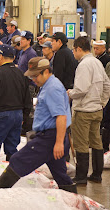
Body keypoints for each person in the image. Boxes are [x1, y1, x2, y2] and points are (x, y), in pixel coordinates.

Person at [0, 57, 77, 196]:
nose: (33, 79)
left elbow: (61, 116)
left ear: (46, 72)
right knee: (59, 173)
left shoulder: (53, 88)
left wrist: (58, 142)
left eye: (35, 75)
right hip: (50, 135)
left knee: (17, 160)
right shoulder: (49, 85)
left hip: (49, 138)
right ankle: (76, 199)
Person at [68, 37, 110, 184]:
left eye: (73, 50)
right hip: (97, 109)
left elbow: (81, 89)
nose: (73, 53)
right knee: (96, 142)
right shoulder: (97, 62)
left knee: (81, 144)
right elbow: (107, 85)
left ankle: (81, 177)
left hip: (84, 111)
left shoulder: (84, 65)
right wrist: (102, 103)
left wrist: (70, 93)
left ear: (79, 48)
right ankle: (97, 175)